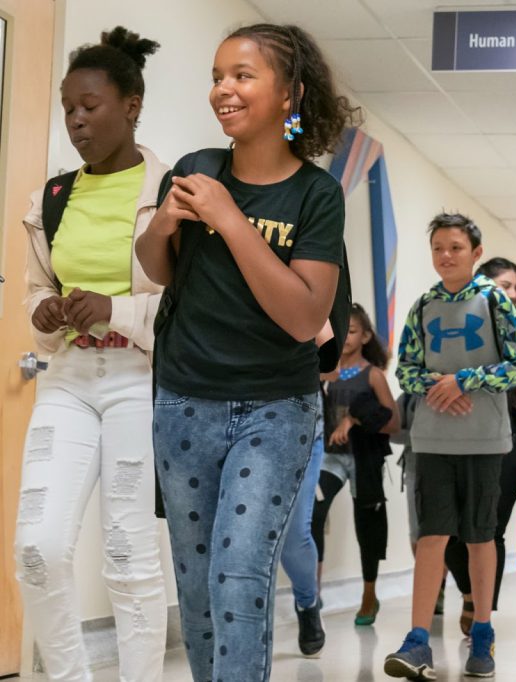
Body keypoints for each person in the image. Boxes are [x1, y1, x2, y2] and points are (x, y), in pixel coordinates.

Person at [135, 23, 357, 682]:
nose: (222, 90)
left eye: (242, 75)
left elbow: (303, 317)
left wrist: (230, 220)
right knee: (199, 588)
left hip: (275, 412)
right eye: (217, 76)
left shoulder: (317, 195)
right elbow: (154, 271)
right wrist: (165, 224)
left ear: (290, 93)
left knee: (238, 580)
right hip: (183, 404)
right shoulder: (196, 169)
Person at [14, 27, 168, 681]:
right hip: (69, 379)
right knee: (37, 548)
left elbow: (190, 311)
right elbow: (35, 295)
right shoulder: (51, 198)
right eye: (67, 107)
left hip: (141, 379)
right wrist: (43, 314)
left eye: (90, 106)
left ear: (131, 105)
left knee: (129, 553)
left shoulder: (173, 192)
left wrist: (118, 310)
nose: (76, 120)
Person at [384, 214, 516, 679]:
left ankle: (482, 634)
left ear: (475, 253)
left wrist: (467, 380)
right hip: (431, 439)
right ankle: (417, 640)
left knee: (479, 536)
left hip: (485, 440)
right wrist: (436, 385)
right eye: (437, 248)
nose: (445, 256)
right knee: (431, 536)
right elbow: (404, 369)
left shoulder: (494, 302)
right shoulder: (423, 304)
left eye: (455, 247)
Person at [444, 256, 516, 635]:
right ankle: (470, 593)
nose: (514, 294)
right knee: (450, 530)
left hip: (511, 435)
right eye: (507, 286)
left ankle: (483, 613)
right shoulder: (458, 325)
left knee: (489, 528)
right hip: (461, 432)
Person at [316, 303, 398, 629]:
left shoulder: (373, 375)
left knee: (368, 524)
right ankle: (313, 590)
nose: (345, 337)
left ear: (364, 336)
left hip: (364, 459)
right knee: (313, 510)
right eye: (340, 330)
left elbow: (393, 421)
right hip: (331, 457)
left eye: (351, 331)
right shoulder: (325, 371)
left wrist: (355, 418)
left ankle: (369, 593)